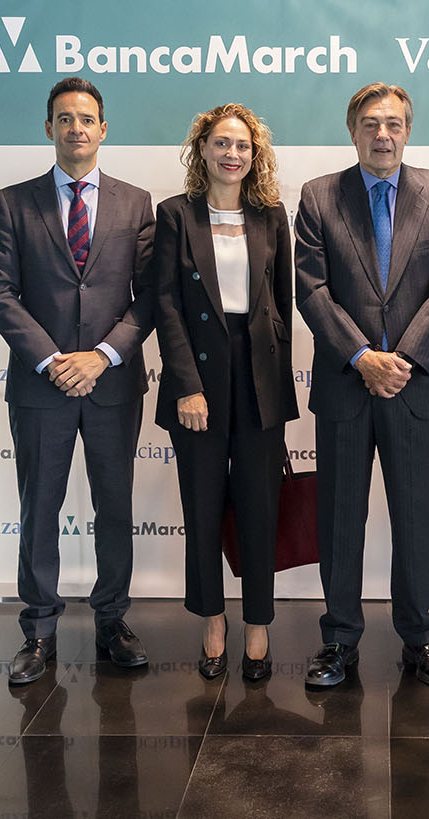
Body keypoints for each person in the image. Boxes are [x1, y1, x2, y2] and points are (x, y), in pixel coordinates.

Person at [0, 76, 157, 685]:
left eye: (86, 118)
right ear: (48, 128)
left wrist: (102, 356)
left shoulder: (136, 203)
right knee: (39, 507)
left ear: (103, 129)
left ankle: (113, 620)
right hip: (42, 385)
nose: (75, 128)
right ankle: (38, 629)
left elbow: (149, 296)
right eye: (64, 118)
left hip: (112, 384)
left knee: (114, 505)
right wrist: (53, 360)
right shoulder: (14, 202)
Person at [294, 82, 429, 689]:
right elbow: (311, 288)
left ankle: (420, 638)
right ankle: (338, 640)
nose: (383, 134)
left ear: (408, 130)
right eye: (370, 123)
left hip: (413, 388)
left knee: (415, 519)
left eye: (393, 123)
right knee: (340, 520)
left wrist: (403, 360)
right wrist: (363, 356)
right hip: (347, 387)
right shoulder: (319, 195)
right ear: (353, 131)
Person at [154, 104, 298, 682]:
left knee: (260, 507)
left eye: (242, 145)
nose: (232, 153)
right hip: (199, 378)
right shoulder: (175, 214)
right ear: (203, 150)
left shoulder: (272, 216)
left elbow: (282, 303)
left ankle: (258, 625)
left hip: (259, 378)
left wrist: (278, 385)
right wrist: (186, 385)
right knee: (203, 507)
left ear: (254, 155)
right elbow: (166, 304)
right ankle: (212, 622)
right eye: (221, 143)